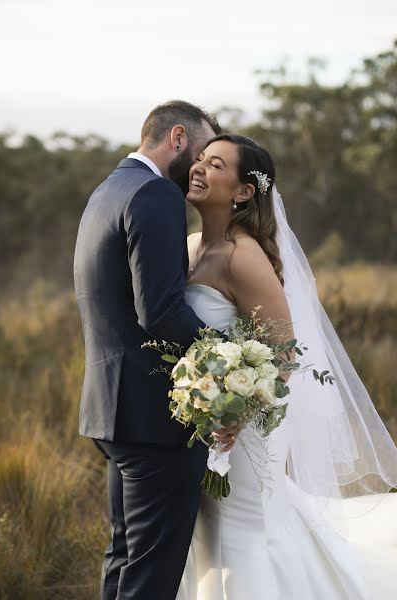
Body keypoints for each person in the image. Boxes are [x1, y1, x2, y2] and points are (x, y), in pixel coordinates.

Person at [176, 134, 397, 599]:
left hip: (243, 429)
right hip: (204, 424)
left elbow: (284, 351)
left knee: (245, 530)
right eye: (199, 158)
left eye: (215, 164)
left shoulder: (245, 256)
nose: (198, 167)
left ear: (242, 192)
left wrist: (234, 410)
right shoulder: (193, 245)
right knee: (208, 533)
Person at [73, 101, 240, 600]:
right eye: (202, 150)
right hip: (153, 418)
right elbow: (160, 311)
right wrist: (229, 361)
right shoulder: (154, 194)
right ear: (178, 137)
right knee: (149, 576)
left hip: (112, 409)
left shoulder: (109, 189)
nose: (201, 164)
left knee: (125, 559)